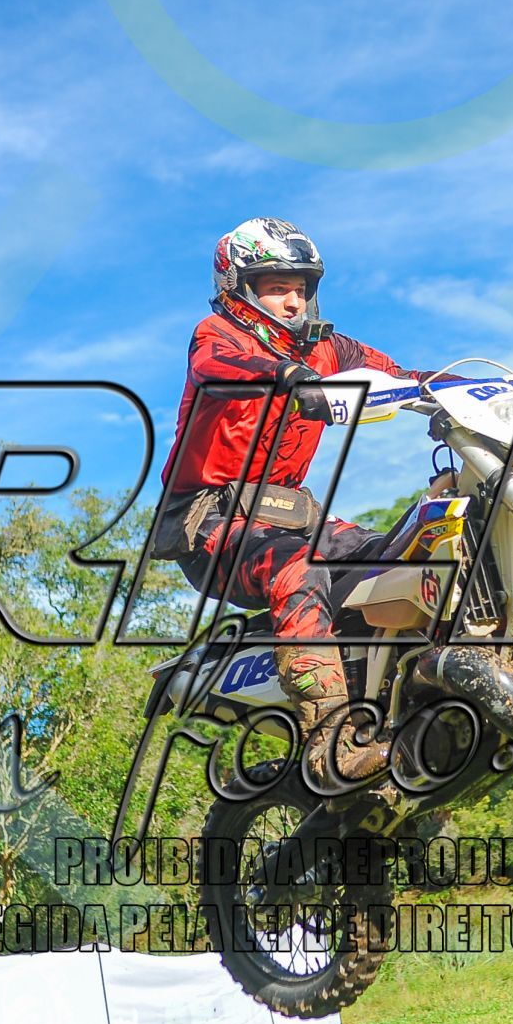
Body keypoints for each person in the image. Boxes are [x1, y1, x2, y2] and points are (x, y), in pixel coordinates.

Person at [153, 217, 444, 784]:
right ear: (239, 287)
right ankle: (329, 742)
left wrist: (465, 392)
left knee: (408, 549)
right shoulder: (218, 335)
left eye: (301, 287)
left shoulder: (328, 349)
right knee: (297, 568)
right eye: (276, 287)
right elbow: (215, 367)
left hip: (289, 515)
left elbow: (400, 377)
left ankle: (408, 696)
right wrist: (291, 377)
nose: (293, 300)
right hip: (209, 522)